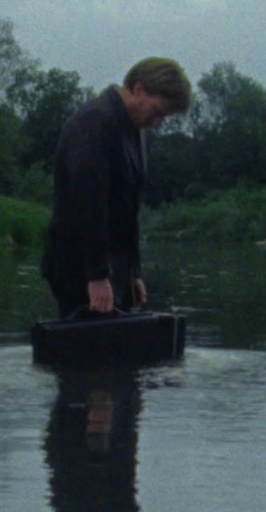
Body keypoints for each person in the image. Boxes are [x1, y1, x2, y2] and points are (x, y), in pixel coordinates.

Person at [41, 57, 191, 318]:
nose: (158, 123)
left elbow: (127, 210)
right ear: (139, 90)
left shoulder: (133, 129)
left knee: (114, 354)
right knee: (88, 352)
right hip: (80, 268)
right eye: (158, 112)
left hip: (111, 267)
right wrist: (97, 276)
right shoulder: (94, 123)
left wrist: (134, 273)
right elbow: (86, 205)